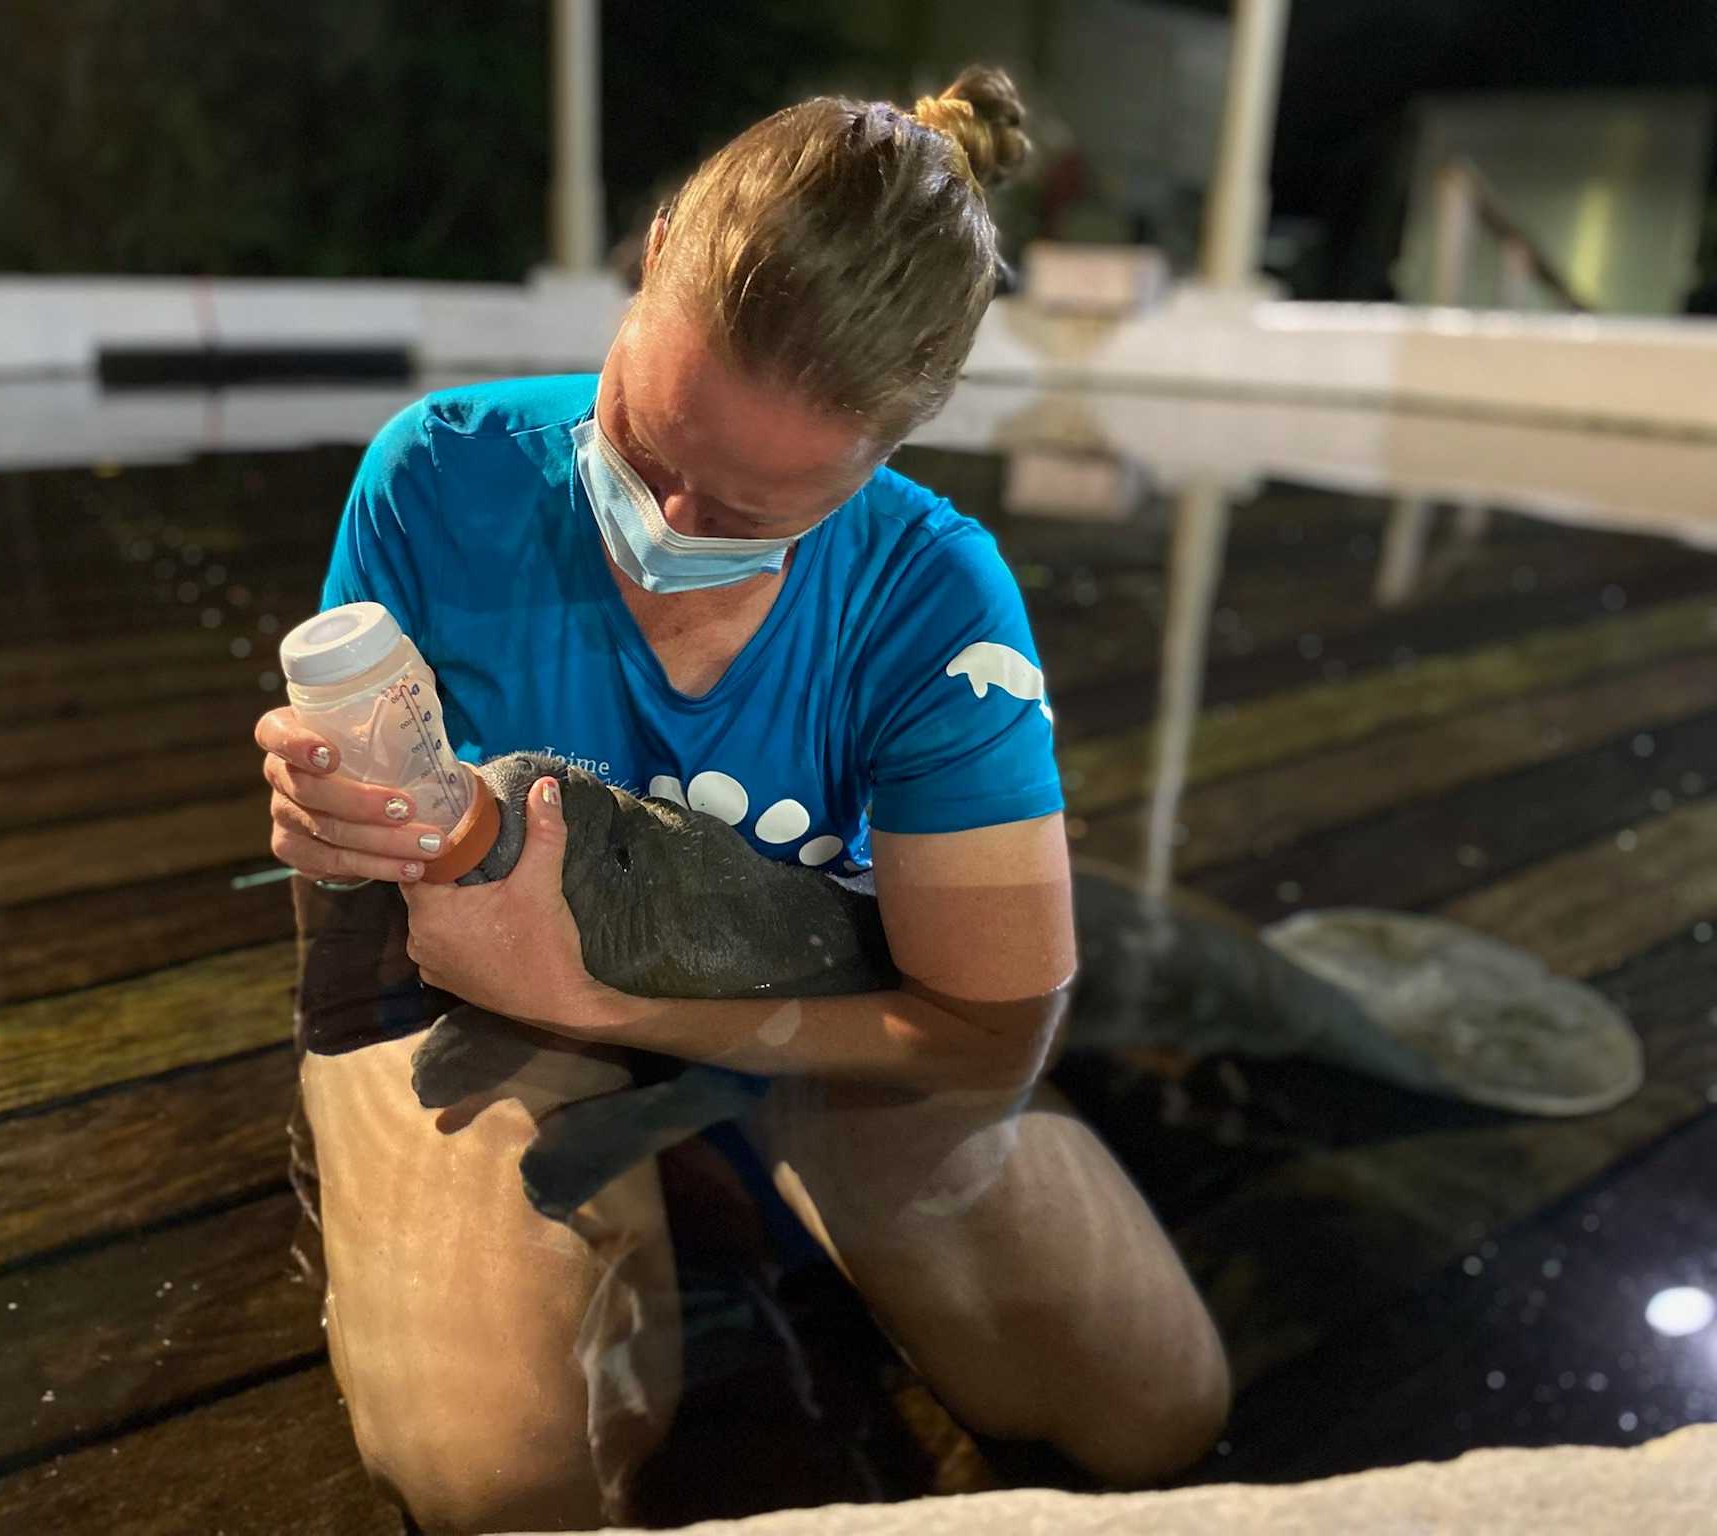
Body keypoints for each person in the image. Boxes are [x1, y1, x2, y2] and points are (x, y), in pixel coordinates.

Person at [258, 66, 1229, 1534]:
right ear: (651, 257)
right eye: (649, 446)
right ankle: (542, 1185)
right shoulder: (437, 477)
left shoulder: (939, 607)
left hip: (784, 980)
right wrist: (337, 820)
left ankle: (718, 1151)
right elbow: (380, 818)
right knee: (510, 1477)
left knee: (1154, 1411)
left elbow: (987, 1035)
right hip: (478, 986)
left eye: (757, 513)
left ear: (892, 450)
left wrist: (610, 1007)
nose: (667, 529)